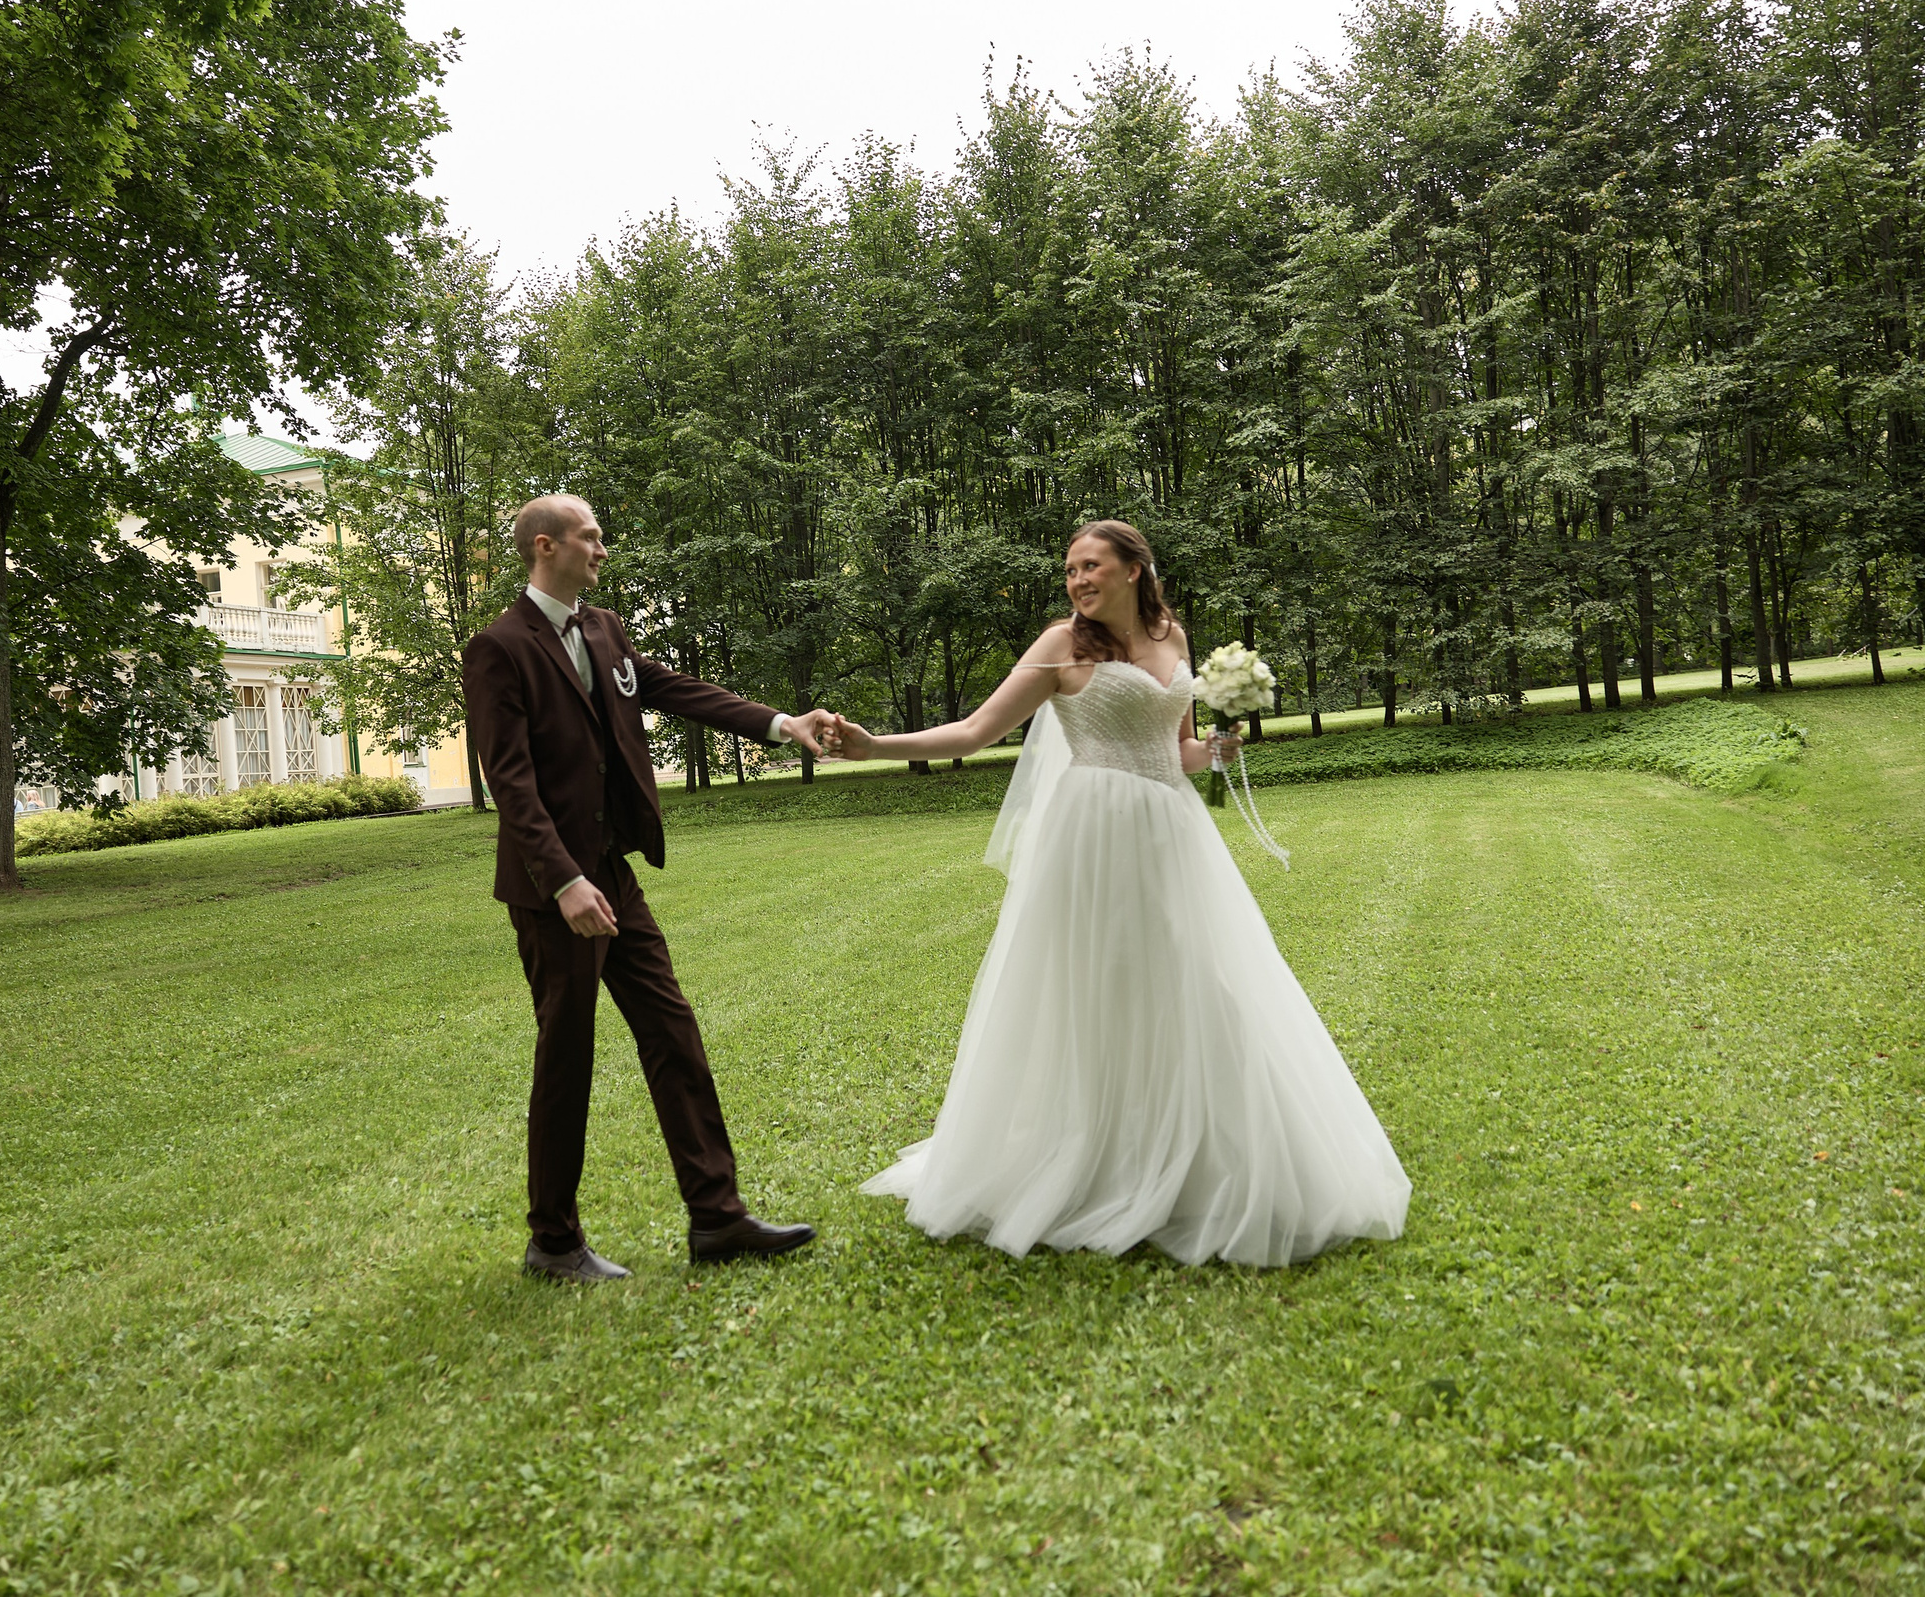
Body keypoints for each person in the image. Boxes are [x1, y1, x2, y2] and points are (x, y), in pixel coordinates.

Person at [829, 520, 1410, 1267]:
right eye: (1069, 569)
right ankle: (1097, 1154)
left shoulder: (1175, 638)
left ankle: (1198, 1152)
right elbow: (976, 731)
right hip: (1092, 836)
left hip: (1171, 829)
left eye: (1091, 565)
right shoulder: (1059, 646)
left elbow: (1181, 754)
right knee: (1099, 988)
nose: (1077, 579)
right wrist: (875, 745)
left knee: (1199, 980)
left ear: (1135, 569)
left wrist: (1220, 747)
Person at [463, 493, 835, 1282]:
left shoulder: (603, 629)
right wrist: (563, 880)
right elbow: (512, 781)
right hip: (553, 892)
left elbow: (675, 689)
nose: (601, 550)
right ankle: (553, 1242)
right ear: (544, 546)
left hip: (616, 877)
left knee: (673, 1032)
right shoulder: (498, 647)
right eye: (589, 538)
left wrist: (779, 723)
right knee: (568, 1056)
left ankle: (718, 1217)